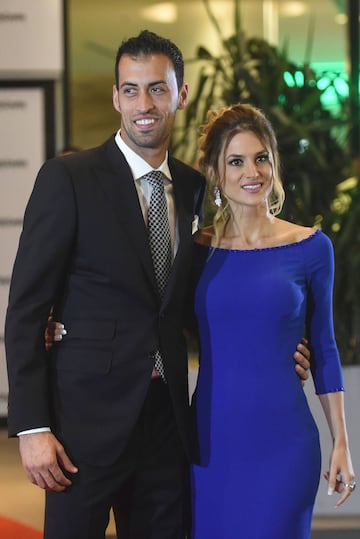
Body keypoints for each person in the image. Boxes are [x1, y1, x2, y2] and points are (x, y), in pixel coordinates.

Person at [5, 30, 310, 539]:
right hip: (83, 428)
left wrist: (278, 345)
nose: (143, 104)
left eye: (157, 89)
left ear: (181, 94)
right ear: (116, 97)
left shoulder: (193, 188)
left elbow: (189, 303)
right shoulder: (70, 179)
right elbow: (26, 310)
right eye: (131, 89)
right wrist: (33, 428)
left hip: (167, 425)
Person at [188, 103, 356, 539]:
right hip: (210, 444)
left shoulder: (311, 248)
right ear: (215, 172)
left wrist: (341, 441)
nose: (252, 172)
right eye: (236, 161)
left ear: (274, 163)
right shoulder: (193, 251)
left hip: (284, 444)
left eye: (261, 157)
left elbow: (325, 347)